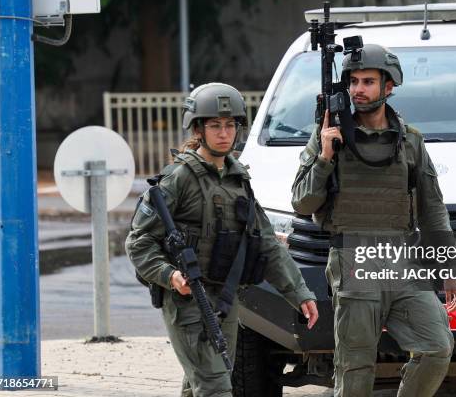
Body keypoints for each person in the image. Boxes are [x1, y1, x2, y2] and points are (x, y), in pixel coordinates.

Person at [291, 44, 456, 397]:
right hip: (354, 264)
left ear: (389, 86)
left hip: (402, 262)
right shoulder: (328, 136)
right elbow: (301, 203)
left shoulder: (410, 140)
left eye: (368, 81)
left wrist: (448, 270)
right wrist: (325, 156)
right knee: (355, 372)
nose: (358, 89)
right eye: (353, 81)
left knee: (437, 347)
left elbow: (433, 210)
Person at [126, 82, 318, 397]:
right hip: (187, 302)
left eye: (230, 125)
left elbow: (267, 245)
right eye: (215, 125)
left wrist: (299, 293)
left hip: (226, 301)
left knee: (203, 384)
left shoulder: (239, 179)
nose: (224, 133)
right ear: (199, 129)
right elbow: (139, 243)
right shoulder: (179, 179)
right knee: (215, 388)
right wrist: (171, 275)